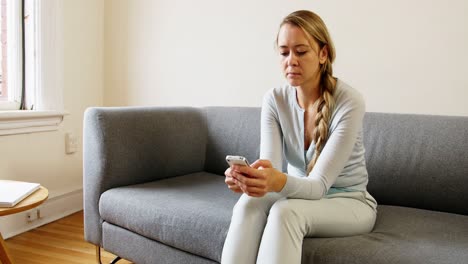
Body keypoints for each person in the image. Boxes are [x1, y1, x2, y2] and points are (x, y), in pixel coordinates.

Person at [221, 10, 378, 264]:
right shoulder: (274, 100)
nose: (291, 60)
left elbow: (318, 187)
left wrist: (275, 181)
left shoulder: (350, 102)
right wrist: (250, 179)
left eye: (301, 51)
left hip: (348, 202)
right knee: (248, 203)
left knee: (286, 212)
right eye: (284, 52)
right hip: (298, 193)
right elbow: (268, 167)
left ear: (323, 54)